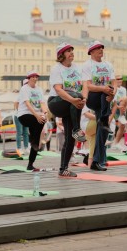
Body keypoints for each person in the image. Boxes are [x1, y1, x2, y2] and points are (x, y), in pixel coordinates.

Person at [47, 42, 85, 178]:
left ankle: (63, 169)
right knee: (75, 95)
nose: (71, 53)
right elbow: (58, 89)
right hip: (56, 102)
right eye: (68, 51)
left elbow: (83, 86)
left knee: (70, 139)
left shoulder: (77, 68)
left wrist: (82, 99)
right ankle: (77, 128)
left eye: (72, 50)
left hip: (71, 105)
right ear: (61, 55)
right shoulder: (56, 69)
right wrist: (75, 99)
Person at [82, 40, 115, 171]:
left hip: (106, 98)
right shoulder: (87, 65)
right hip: (93, 97)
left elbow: (114, 83)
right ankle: (105, 118)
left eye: (102, 47)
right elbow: (88, 85)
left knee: (102, 130)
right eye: (97, 48)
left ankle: (97, 160)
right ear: (91, 51)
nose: (101, 50)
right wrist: (104, 90)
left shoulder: (108, 65)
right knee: (104, 91)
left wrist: (113, 94)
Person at [17, 71, 48, 171]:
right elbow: (27, 104)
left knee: (36, 139)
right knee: (38, 124)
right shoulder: (24, 88)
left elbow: (42, 103)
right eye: (33, 77)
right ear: (29, 78)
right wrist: (37, 116)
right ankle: (33, 141)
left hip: (36, 116)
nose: (35, 78)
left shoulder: (39, 89)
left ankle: (30, 163)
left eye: (36, 77)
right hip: (24, 115)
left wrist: (45, 113)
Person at [109, 74, 127, 150]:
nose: (120, 80)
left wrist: (124, 109)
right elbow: (113, 100)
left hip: (120, 108)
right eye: (118, 79)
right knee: (110, 126)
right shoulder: (112, 88)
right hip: (113, 107)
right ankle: (107, 142)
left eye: (121, 79)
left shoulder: (123, 89)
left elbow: (125, 101)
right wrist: (118, 105)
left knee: (122, 126)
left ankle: (116, 143)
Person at [14, 78, 30, 155]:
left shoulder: (29, 94)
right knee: (19, 132)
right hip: (18, 116)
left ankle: (26, 147)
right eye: (26, 84)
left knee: (26, 132)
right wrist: (20, 111)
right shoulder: (21, 94)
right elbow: (16, 103)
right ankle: (19, 148)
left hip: (25, 116)